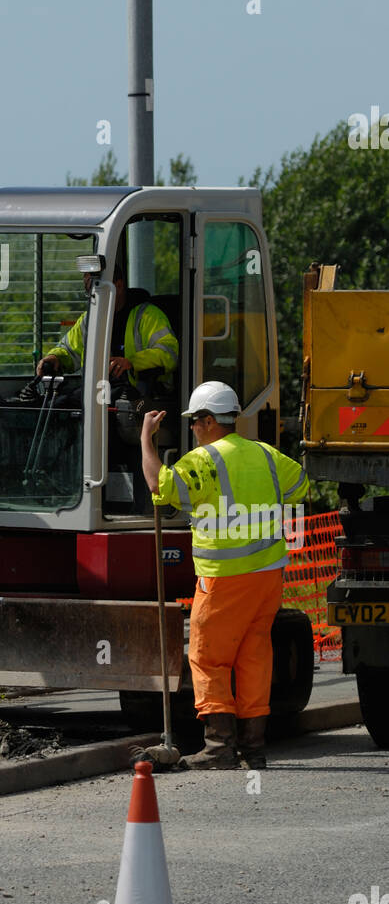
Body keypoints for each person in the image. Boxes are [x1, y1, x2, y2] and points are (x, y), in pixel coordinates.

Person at [140, 381, 309, 770]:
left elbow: (158, 486)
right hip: (267, 577)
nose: (193, 430)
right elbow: (300, 484)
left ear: (209, 420)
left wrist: (146, 441)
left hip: (224, 578)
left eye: (195, 422)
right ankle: (254, 747)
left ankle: (218, 747)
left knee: (207, 658)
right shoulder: (267, 456)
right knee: (253, 656)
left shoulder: (203, 462)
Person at [36, 264, 178, 393]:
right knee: (61, 403)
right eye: (89, 291)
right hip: (98, 392)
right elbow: (69, 349)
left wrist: (131, 362)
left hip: (138, 393)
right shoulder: (89, 319)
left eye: (98, 290)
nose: (93, 297)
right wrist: (54, 357)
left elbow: (168, 353)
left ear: (119, 286)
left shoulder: (147, 315)